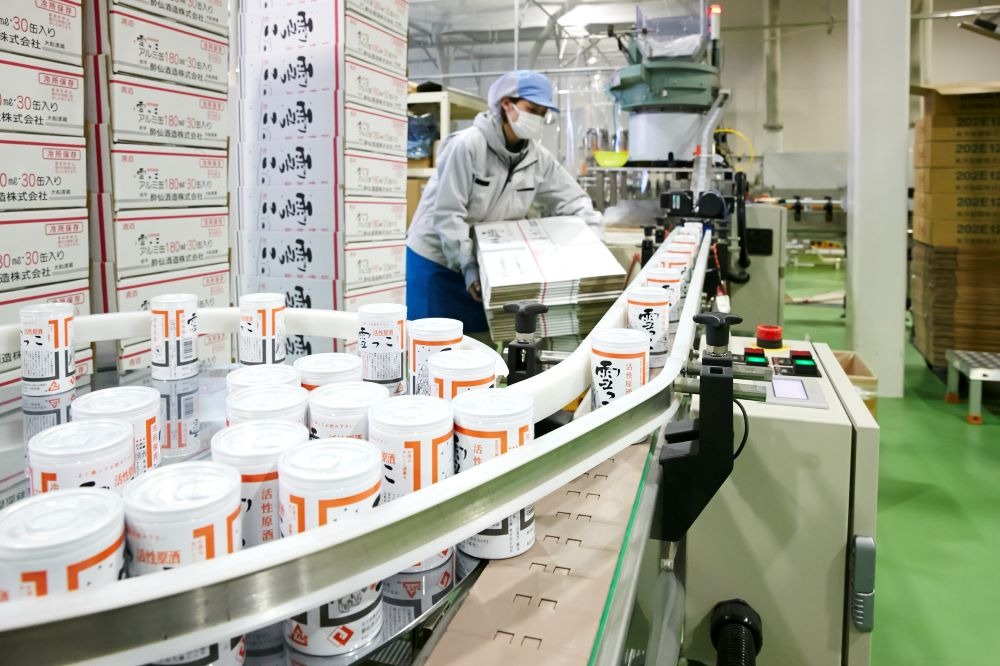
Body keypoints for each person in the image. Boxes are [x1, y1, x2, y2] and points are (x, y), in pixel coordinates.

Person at [406, 70, 603, 332]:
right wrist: (467, 265)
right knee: (432, 342)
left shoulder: (538, 158)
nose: (537, 118)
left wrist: (595, 246)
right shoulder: (467, 146)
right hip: (437, 262)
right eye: (531, 109)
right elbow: (448, 214)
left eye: (543, 113)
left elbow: (576, 201)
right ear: (506, 104)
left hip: (485, 265)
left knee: (477, 344)